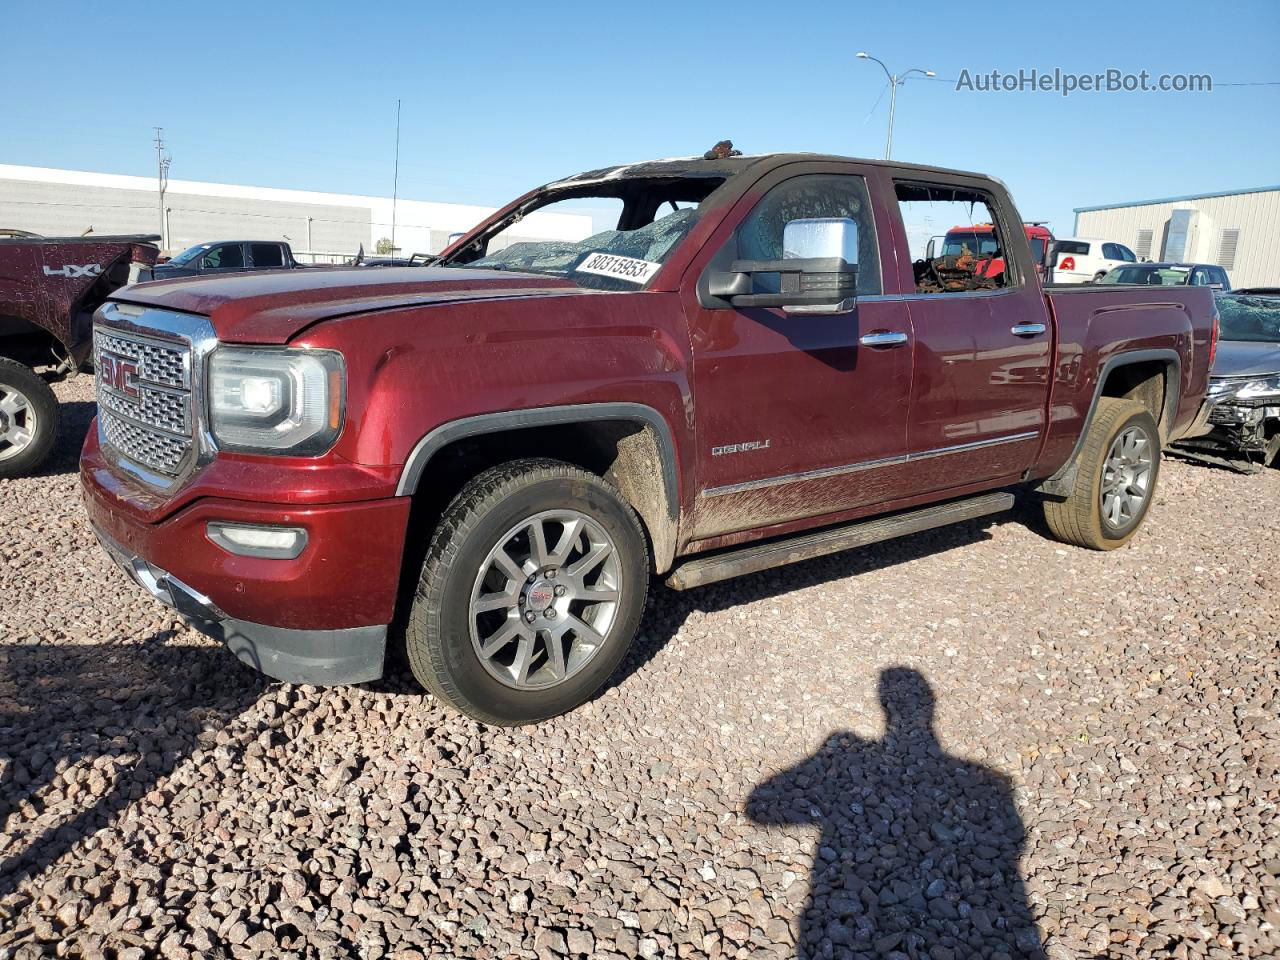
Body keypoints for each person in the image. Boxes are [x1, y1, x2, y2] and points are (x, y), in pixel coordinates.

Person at [747, 667, 1044, 959]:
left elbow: (757, 807)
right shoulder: (988, 778)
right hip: (1005, 907)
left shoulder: (986, 778)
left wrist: (826, 756)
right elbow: (1017, 840)